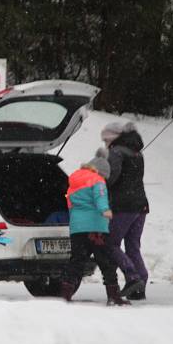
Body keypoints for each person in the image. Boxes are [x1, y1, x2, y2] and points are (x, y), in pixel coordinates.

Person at [60, 148, 130, 306]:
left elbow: (70, 205)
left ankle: (65, 294)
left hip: (78, 228)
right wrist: (105, 211)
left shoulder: (74, 181)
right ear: (102, 172)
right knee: (106, 263)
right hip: (96, 228)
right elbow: (100, 197)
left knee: (76, 261)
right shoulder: (97, 180)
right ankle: (114, 295)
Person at [102, 121, 149, 300]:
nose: (105, 143)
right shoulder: (138, 152)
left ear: (113, 137)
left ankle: (132, 277)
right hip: (141, 205)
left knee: (110, 243)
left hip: (124, 206)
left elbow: (111, 177)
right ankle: (140, 283)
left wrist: (98, 184)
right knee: (132, 246)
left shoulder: (116, 152)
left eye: (105, 139)